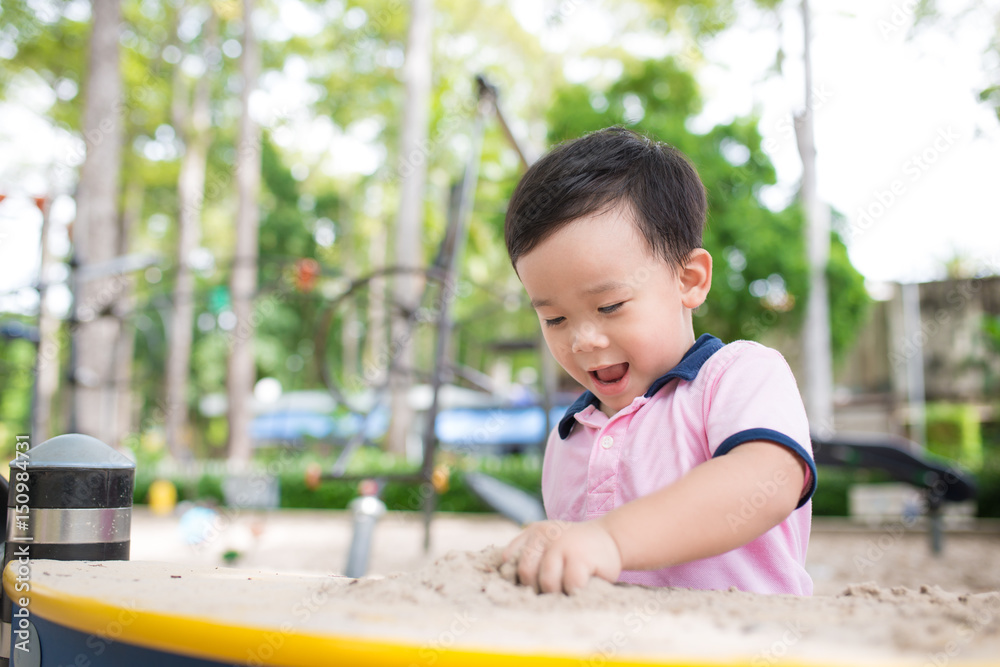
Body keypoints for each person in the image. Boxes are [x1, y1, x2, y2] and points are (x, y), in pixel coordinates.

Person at [501, 127, 816, 596]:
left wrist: (611, 538)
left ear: (689, 279)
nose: (583, 340)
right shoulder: (570, 437)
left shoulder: (736, 377)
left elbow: (767, 479)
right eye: (555, 318)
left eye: (609, 306)